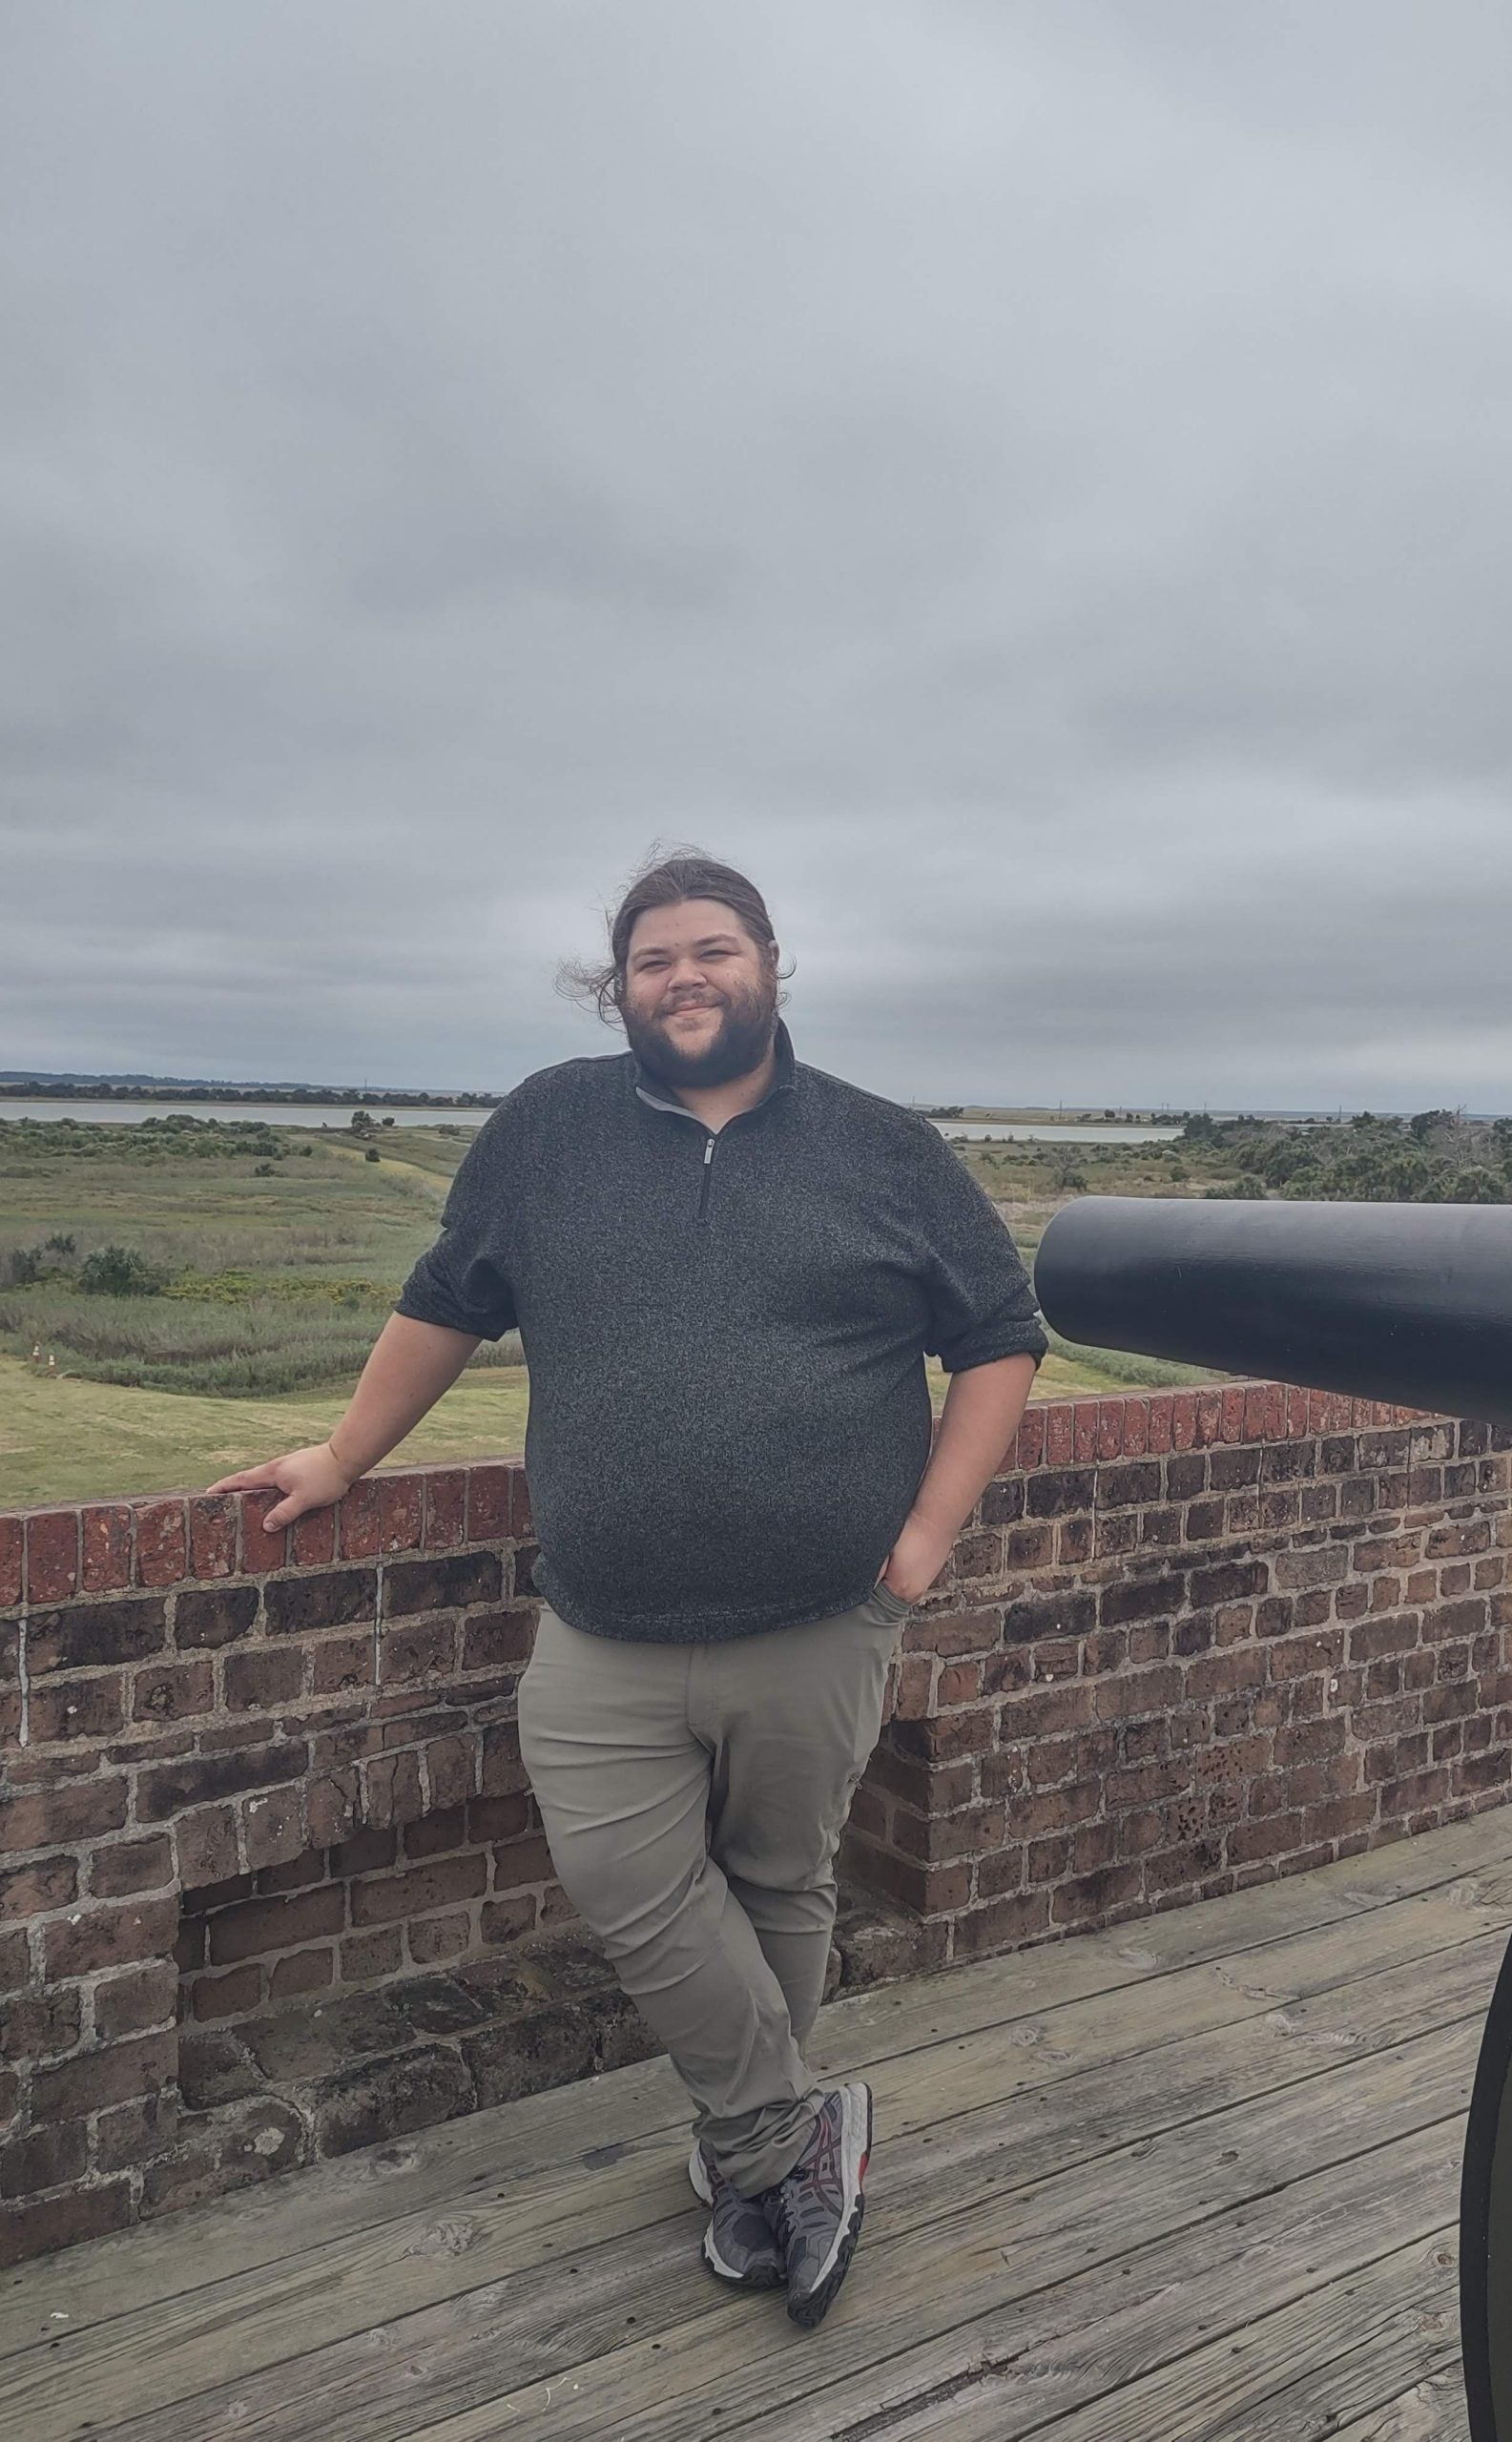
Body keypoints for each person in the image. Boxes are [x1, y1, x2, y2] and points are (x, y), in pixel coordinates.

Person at [208, 853, 1045, 2329]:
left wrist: (922, 1544)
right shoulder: (547, 1130)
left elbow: (999, 1333)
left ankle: (748, 2166)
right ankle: (795, 2139)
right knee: (630, 1886)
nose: (685, 977)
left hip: (821, 1621)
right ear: (622, 987)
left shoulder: (884, 1147)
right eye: (654, 959)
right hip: (599, 1624)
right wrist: (341, 1453)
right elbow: (446, 1302)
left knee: (782, 1883)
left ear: (771, 964)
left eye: (713, 950)